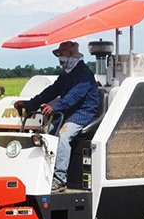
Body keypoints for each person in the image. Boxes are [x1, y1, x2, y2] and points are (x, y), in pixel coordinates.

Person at [13, 41, 100, 192]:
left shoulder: (84, 73)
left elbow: (75, 95)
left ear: (71, 56)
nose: (60, 62)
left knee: (63, 135)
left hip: (83, 112)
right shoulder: (66, 75)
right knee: (46, 134)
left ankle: (60, 179)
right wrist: (30, 104)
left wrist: (55, 107)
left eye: (62, 58)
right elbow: (52, 91)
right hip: (69, 111)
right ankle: (42, 172)